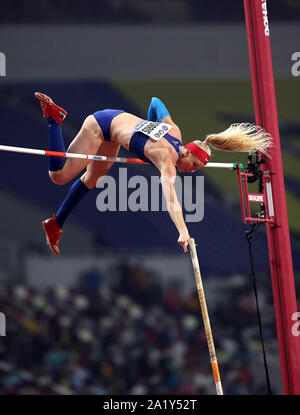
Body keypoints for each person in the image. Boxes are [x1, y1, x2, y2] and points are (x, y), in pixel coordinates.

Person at [35, 93, 272, 255]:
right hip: (99, 125)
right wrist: (183, 231)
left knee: (94, 179)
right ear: (188, 153)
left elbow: (155, 101)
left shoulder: (175, 131)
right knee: (58, 176)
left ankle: (56, 223)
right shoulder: (167, 161)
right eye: (193, 167)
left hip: (115, 127)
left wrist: (147, 129)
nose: (191, 172)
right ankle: (54, 120)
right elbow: (172, 201)